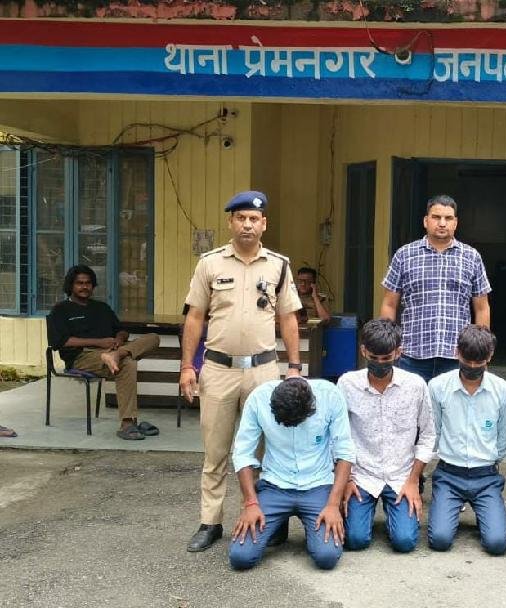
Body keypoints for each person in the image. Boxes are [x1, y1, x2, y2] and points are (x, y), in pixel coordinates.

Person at [180, 190, 303, 553]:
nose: (247, 224)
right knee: (216, 451)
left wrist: (294, 367)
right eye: (241, 218)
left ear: (264, 224)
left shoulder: (278, 265)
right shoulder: (210, 264)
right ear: (230, 222)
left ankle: (269, 519)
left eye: (254, 219)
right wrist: (187, 366)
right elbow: (195, 317)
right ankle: (210, 522)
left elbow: (288, 318)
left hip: (263, 371)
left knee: (267, 450)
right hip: (218, 370)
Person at [228, 377, 355, 571]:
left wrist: (332, 505)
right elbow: (243, 453)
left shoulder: (330, 396)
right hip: (274, 485)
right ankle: (279, 523)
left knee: (326, 557)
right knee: (240, 557)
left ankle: (307, 531)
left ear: (311, 407)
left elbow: (344, 452)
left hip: (318, 484)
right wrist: (251, 503)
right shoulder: (258, 399)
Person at [337, 319, 435, 553]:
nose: (380, 364)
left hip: (401, 475)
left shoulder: (416, 385)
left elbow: (428, 435)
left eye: (386, 358)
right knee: (355, 540)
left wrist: (413, 481)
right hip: (361, 475)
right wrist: (346, 480)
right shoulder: (347, 384)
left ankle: (398, 515)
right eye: (374, 358)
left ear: (398, 353)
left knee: (405, 542)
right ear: (363, 351)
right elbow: (338, 437)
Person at [380, 194, 491, 383]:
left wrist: (481, 350)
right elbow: (389, 304)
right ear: (426, 221)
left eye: (448, 218)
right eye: (436, 217)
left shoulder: (472, 257)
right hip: (411, 355)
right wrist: (387, 346)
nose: (442, 223)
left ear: (455, 223)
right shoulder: (404, 255)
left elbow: (482, 308)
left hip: (458, 355)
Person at [47, 264, 160, 441]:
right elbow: (60, 341)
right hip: (82, 356)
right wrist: (99, 342)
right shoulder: (60, 310)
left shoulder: (101, 308)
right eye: (79, 283)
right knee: (128, 363)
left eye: (88, 283)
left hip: (113, 350)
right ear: (71, 285)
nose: (84, 286)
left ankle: (118, 355)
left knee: (153, 338)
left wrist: (118, 341)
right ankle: (127, 423)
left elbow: (122, 330)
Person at [427, 324, 506, 556]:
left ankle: (486, 511)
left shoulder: (503, 390)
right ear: (457, 352)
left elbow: (504, 438)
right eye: (468, 361)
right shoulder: (438, 387)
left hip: (486, 477)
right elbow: (434, 431)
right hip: (449, 474)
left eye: (479, 362)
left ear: (490, 356)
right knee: (439, 540)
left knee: (497, 544)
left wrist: (489, 461)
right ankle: (448, 507)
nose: (473, 367)